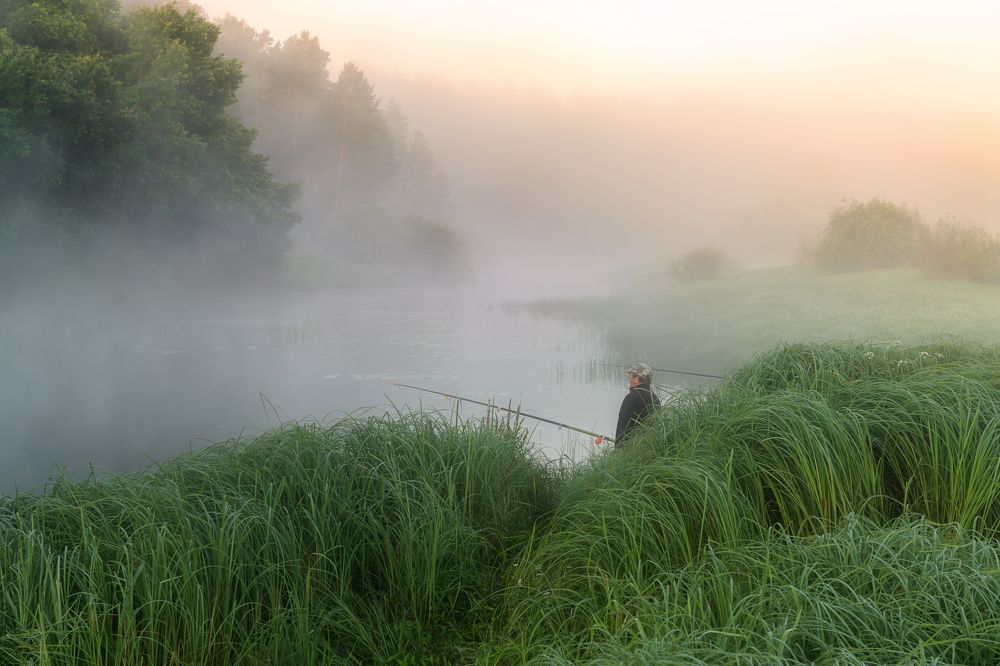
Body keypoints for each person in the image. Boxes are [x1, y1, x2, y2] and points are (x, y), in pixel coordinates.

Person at [615, 363, 660, 447]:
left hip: (631, 449)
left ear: (637, 378)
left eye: (630, 376)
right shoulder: (655, 398)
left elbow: (622, 427)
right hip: (649, 447)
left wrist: (618, 450)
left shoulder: (631, 398)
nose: (629, 379)